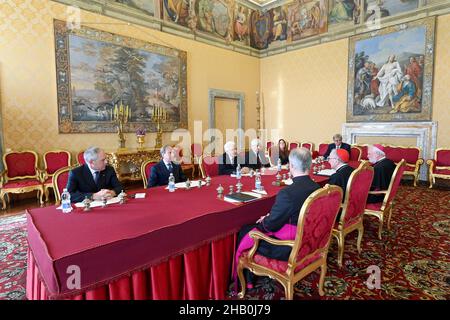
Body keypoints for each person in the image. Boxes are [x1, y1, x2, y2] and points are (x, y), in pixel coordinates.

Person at [234, 148, 320, 287]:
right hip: (310, 239)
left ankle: (247, 281)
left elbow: (270, 225)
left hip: (290, 248)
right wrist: (272, 216)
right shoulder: (316, 187)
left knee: (246, 231)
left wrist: (264, 221)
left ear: (291, 166)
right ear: (309, 165)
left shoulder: (287, 193)